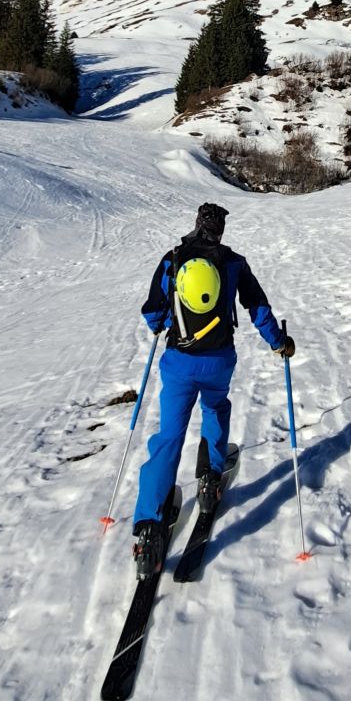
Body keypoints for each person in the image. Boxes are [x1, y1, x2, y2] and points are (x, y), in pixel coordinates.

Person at [130, 201, 293, 575]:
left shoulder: (173, 259)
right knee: (216, 409)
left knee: (169, 436)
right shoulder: (234, 262)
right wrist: (279, 342)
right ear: (221, 229)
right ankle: (209, 480)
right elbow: (257, 306)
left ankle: (149, 531)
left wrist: (162, 323)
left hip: (179, 363)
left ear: (196, 224)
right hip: (219, 360)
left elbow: (153, 312)